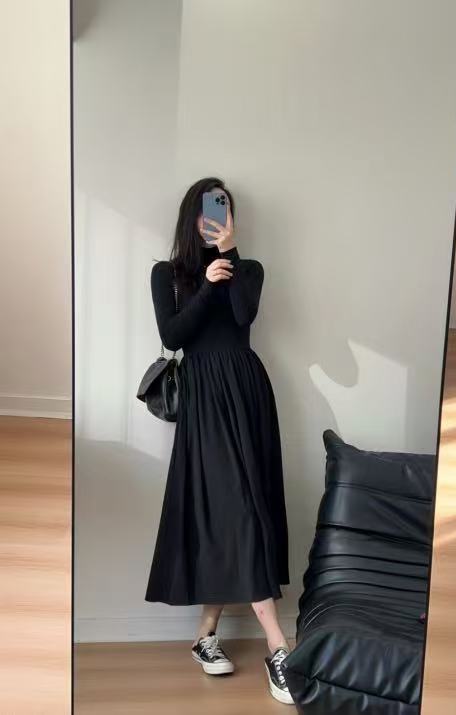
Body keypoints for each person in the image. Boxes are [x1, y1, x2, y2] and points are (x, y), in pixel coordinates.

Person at [145, 177, 293, 704]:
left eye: (225, 208)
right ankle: (279, 647)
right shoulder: (168, 274)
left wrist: (229, 259)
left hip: (248, 393)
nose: (219, 215)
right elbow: (173, 336)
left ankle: (205, 636)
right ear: (194, 215)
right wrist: (206, 284)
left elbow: (244, 316)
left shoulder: (248, 269)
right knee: (235, 510)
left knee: (244, 508)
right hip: (205, 399)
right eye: (211, 207)